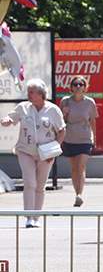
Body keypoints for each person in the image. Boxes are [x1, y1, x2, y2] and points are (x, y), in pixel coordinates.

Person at [0, 79, 65, 227]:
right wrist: (7, 120)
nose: (28, 95)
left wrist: (55, 149)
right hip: (26, 151)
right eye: (28, 92)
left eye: (32, 92)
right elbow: (11, 117)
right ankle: (29, 217)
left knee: (40, 185)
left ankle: (37, 217)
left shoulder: (53, 110)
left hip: (46, 153)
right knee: (30, 183)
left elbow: (62, 130)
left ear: (41, 94)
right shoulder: (23, 107)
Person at [59, 76, 99, 207]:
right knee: (74, 168)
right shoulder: (65, 101)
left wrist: (95, 137)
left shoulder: (89, 102)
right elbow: (60, 122)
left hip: (85, 139)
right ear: (71, 87)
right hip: (70, 138)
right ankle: (76, 193)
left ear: (85, 87)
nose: (78, 87)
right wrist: (64, 114)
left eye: (81, 84)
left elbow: (92, 120)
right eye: (75, 84)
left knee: (81, 166)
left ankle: (79, 195)